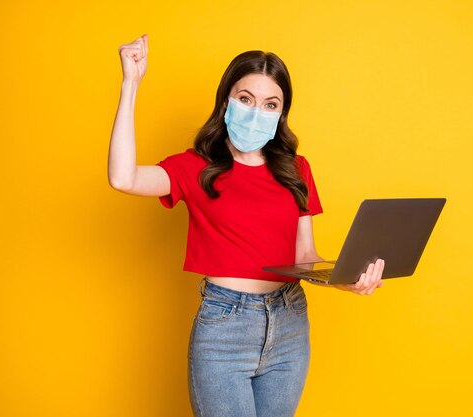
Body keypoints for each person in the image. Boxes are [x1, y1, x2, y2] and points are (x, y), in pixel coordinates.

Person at [108, 33, 385, 417]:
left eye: (270, 104)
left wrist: (349, 277)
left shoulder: (296, 169)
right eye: (245, 99)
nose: (257, 112)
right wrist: (130, 84)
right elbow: (122, 178)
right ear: (226, 102)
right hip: (225, 327)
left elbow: (305, 256)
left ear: (281, 113)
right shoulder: (195, 168)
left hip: (290, 323)